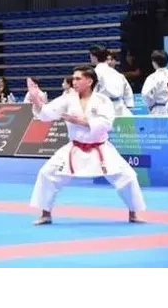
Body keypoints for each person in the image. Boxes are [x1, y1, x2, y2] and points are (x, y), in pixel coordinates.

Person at [27, 66, 146, 225]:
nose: (74, 82)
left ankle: (133, 213)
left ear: (89, 81)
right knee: (47, 173)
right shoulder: (67, 99)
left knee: (128, 177)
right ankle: (45, 214)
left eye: (78, 79)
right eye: (73, 78)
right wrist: (37, 102)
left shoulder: (103, 100)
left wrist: (81, 121)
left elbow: (106, 124)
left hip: (100, 148)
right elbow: (48, 113)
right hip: (75, 147)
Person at [88, 46, 134, 116]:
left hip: (104, 108)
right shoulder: (117, 73)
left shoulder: (95, 73)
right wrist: (129, 105)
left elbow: (91, 92)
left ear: (94, 57)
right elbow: (127, 91)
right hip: (120, 107)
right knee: (125, 123)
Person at [141, 50, 168, 115]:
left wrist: (151, 105)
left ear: (154, 63)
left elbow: (145, 94)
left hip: (158, 109)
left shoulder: (151, 78)